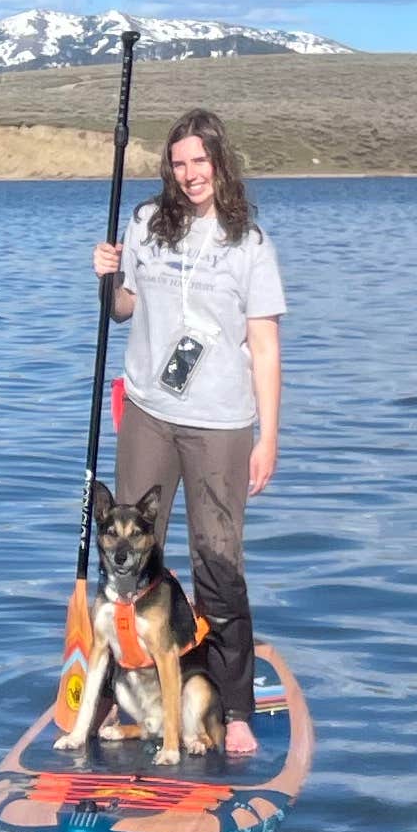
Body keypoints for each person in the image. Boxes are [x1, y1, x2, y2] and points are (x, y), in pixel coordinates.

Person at [92, 107, 284, 759]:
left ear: (218, 163)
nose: (189, 173)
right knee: (129, 558)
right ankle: (124, 696)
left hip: (220, 426)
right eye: (179, 163)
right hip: (148, 411)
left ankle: (233, 708)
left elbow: (264, 342)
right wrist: (108, 275)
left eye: (199, 161)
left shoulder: (248, 241)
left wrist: (269, 435)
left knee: (218, 565)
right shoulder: (148, 222)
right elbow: (123, 309)